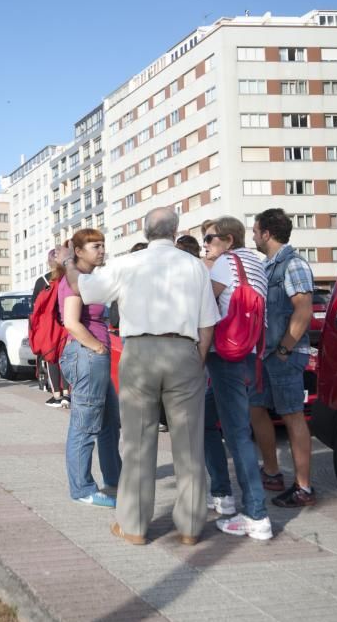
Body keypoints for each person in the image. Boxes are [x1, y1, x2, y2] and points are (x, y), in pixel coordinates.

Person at [57, 207, 219, 546]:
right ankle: (190, 526)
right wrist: (197, 360)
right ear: (175, 232)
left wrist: (69, 262)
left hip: (141, 352)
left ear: (146, 233)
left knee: (137, 443)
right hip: (184, 351)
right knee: (189, 444)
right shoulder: (195, 267)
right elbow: (207, 323)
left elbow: (85, 289)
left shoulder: (128, 264)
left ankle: (134, 526)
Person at [202, 216, 273, 540]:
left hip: (224, 356)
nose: (206, 244)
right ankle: (222, 494)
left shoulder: (224, 264)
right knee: (208, 422)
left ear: (228, 239)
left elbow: (203, 305)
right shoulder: (255, 263)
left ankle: (256, 514)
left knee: (237, 435)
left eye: (210, 238)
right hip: (247, 353)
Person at [250, 208, 317, 507]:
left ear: (266, 233)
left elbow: (303, 311)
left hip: (284, 356)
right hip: (266, 356)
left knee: (292, 417)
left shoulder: (293, 265)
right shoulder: (268, 267)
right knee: (256, 409)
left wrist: (284, 350)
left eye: (255, 231)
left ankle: (304, 488)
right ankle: (272, 472)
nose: (253, 236)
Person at [57, 229, 121, 508]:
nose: (102, 250)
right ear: (79, 251)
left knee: (108, 422)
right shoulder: (73, 282)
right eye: (95, 246)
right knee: (85, 425)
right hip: (87, 355)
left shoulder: (88, 279)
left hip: (94, 356)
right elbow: (71, 322)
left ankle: (116, 480)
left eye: (103, 245)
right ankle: (82, 488)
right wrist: (96, 347)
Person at [32, 249, 68, 408]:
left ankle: (57, 396)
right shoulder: (68, 278)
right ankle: (68, 394)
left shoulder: (42, 281)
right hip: (67, 323)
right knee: (65, 358)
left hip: (49, 326)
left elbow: (35, 306)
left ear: (49, 262)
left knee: (51, 359)